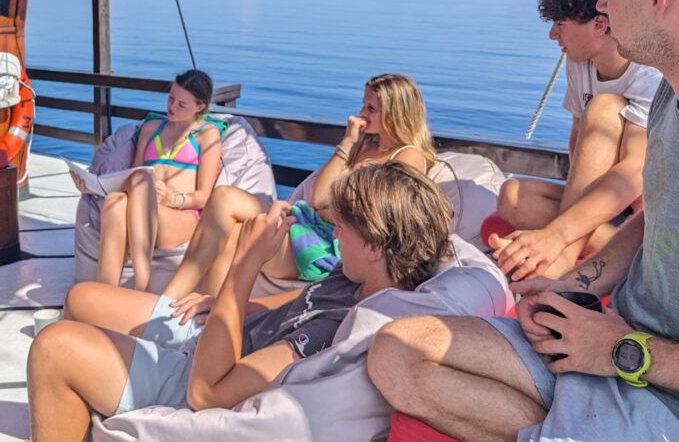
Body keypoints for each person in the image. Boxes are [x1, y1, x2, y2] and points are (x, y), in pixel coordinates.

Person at [368, 0, 679, 442]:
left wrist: (625, 352)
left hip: (674, 397)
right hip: (606, 337)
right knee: (398, 349)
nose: (601, 4)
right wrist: (573, 286)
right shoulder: (674, 97)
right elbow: (659, 214)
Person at [28, 161, 453, 441]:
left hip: (202, 366)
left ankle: (74, 401)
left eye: (344, 225)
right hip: (213, 332)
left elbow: (206, 393)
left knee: (54, 349)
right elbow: (295, 303)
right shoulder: (355, 278)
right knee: (82, 298)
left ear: (377, 246)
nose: (335, 232)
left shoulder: (332, 332)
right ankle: (78, 409)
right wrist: (222, 303)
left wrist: (244, 269)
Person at [137, 73, 436, 303]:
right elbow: (319, 196)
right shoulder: (365, 146)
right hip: (310, 218)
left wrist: (331, 208)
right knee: (223, 196)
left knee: (238, 236)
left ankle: (201, 312)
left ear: (395, 114)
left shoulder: (407, 157)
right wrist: (347, 142)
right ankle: (172, 302)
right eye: (364, 103)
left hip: (330, 241)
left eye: (371, 108)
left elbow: (375, 215)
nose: (361, 112)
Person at [491, 0, 661, 280]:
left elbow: (635, 172)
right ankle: (624, 251)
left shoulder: (648, 71)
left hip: (643, 206)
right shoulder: (578, 63)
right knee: (512, 197)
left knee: (605, 107)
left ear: (600, 24)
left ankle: (564, 259)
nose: (553, 35)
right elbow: (577, 136)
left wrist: (556, 235)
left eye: (561, 23)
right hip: (605, 206)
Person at [81, 69, 222, 292]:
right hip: (141, 204)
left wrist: (171, 198)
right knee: (114, 203)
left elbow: (204, 196)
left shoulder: (207, 135)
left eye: (182, 104)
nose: (172, 107)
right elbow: (132, 177)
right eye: (171, 98)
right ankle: (105, 292)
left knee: (142, 179)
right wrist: (93, 186)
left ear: (200, 106)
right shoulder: (150, 128)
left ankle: (142, 286)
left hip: (181, 217)